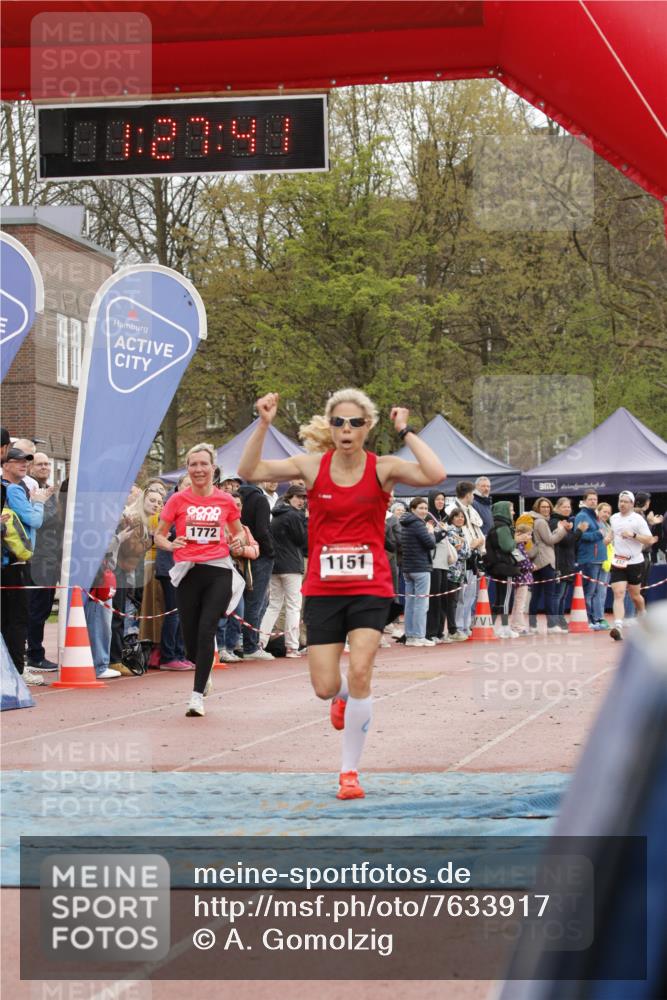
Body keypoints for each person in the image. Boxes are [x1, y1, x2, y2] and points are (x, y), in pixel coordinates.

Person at [237, 389, 445, 800]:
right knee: (325, 686)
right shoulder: (312, 467)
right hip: (324, 588)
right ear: (330, 428)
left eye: (354, 422)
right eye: (338, 422)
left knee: (362, 669)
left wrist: (405, 430)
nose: (346, 429)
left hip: (370, 587)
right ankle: (343, 696)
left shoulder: (382, 468)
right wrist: (263, 423)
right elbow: (249, 469)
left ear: (367, 427)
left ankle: (349, 772)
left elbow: (435, 473)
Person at [156, 443, 246, 716]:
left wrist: (237, 542)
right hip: (188, 571)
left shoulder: (225, 500)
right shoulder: (177, 500)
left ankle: (196, 697)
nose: (198, 469)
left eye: (203, 464)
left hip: (218, 570)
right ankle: (203, 669)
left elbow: (239, 532)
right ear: (187, 468)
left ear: (213, 468)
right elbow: (159, 535)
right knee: (190, 640)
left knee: (207, 628)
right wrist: (170, 544)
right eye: (193, 464)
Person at [1, 447, 51, 684]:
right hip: (15, 561)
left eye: (26, 461)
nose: (24, 464)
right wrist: (39, 502)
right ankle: (18, 671)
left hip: (9, 560)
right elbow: (34, 520)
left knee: (9, 618)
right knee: (18, 618)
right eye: (18, 461)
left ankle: (10, 669)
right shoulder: (13, 489)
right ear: (5, 464)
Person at [259, 484, 308, 657]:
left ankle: (260, 642)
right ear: (289, 497)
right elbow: (302, 540)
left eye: (304, 498)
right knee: (294, 606)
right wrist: (305, 520)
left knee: (274, 605)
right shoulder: (294, 515)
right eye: (299, 497)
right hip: (291, 566)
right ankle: (292, 646)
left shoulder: (277, 514)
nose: (302, 501)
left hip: (276, 566)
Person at [608, 490, 657, 641]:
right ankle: (618, 626)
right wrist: (608, 538)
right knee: (618, 593)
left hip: (635, 562)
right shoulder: (614, 518)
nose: (622, 504)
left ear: (632, 503)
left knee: (635, 596)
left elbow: (650, 540)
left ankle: (643, 616)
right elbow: (612, 533)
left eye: (625, 501)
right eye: (620, 501)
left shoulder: (638, 519)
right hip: (618, 561)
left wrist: (633, 535)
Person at [217, 491, 259, 662]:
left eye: (238, 505)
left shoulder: (244, 529)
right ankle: (220, 648)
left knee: (238, 613)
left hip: (238, 577)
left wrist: (241, 550)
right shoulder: (218, 525)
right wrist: (228, 549)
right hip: (220, 574)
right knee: (222, 613)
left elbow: (255, 550)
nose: (235, 507)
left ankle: (230, 647)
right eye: (232, 504)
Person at [237, 479, 275, 660]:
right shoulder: (260, 500)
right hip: (259, 554)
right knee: (257, 601)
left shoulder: (238, 497)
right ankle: (251, 646)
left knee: (247, 600)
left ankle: (243, 642)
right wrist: (271, 551)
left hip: (242, 554)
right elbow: (262, 529)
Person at [400, 497, 443, 647]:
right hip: (420, 568)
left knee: (410, 603)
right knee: (421, 604)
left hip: (408, 568)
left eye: (425, 508)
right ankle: (418, 636)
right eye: (421, 508)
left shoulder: (406, 523)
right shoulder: (418, 524)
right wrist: (431, 532)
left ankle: (410, 636)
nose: (424, 511)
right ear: (413, 509)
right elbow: (430, 543)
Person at [525, 497, 570, 634]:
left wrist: (558, 530)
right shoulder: (541, 522)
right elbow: (550, 540)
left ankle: (533, 626)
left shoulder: (534, 520)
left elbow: (546, 538)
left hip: (536, 561)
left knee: (536, 595)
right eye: (543, 507)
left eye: (547, 507)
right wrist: (563, 530)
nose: (546, 509)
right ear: (537, 508)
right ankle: (551, 625)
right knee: (549, 594)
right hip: (546, 561)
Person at [446, 482, 485, 638]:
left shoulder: (472, 510)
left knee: (470, 596)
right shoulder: (451, 509)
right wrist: (471, 545)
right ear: (468, 494)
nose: (460, 519)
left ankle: (466, 625)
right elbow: (456, 542)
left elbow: (476, 531)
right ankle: (458, 627)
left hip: (472, 559)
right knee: (460, 597)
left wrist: (478, 544)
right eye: (473, 494)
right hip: (458, 563)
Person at [484, 501, 521, 638]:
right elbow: (508, 546)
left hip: (496, 567)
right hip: (506, 567)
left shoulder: (494, 526)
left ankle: (492, 626)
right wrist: (517, 540)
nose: (513, 512)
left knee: (498, 598)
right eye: (511, 510)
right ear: (504, 511)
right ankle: (505, 628)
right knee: (505, 599)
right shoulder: (504, 527)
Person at [573, 490, 609, 628]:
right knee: (588, 592)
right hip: (589, 559)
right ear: (584, 501)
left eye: (595, 499)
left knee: (595, 592)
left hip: (599, 558)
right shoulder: (582, 516)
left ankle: (595, 619)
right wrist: (599, 534)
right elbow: (580, 536)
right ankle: (587, 620)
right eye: (590, 499)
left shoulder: (595, 516)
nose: (593, 501)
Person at [550, 497, 577, 632]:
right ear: (557, 507)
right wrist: (578, 531)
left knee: (563, 595)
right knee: (558, 594)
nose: (567, 509)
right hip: (559, 563)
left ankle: (561, 619)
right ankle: (554, 622)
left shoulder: (567, 522)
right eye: (564, 507)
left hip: (568, 562)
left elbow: (571, 543)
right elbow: (566, 541)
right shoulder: (555, 522)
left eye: (569, 507)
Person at [444, 508, 470, 641]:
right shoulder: (450, 532)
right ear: (452, 518)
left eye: (462, 517)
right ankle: (452, 630)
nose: (460, 519)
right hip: (451, 572)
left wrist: (462, 551)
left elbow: (467, 553)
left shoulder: (462, 532)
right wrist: (461, 551)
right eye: (457, 516)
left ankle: (454, 629)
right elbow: (456, 553)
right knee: (450, 602)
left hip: (460, 572)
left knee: (455, 601)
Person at [509, 521, 534, 635]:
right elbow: (521, 562)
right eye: (528, 534)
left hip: (522, 578)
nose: (530, 537)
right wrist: (531, 566)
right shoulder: (517, 547)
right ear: (519, 533)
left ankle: (516, 625)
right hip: (522, 578)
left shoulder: (520, 546)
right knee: (520, 604)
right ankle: (519, 627)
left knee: (518, 603)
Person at [593, 502, 614, 627]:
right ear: (598, 511)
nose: (606, 514)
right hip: (597, 561)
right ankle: (597, 618)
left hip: (607, 563)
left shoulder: (608, 526)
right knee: (597, 591)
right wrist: (604, 543)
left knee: (602, 591)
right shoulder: (595, 524)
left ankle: (599, 617)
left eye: (608, 512)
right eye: (604, 511)